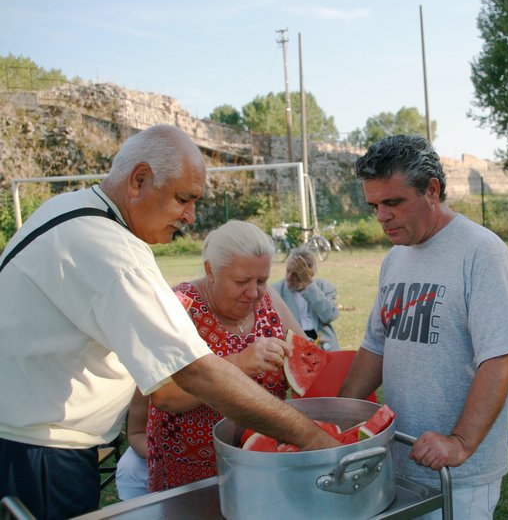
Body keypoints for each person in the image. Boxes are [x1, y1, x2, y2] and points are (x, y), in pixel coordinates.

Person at [0, 124, 339, 519]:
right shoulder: (112, 250)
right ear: (139, 180)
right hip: (42, 452)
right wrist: (312, 438)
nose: (190, 217)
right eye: (183, 199)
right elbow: (194, 372)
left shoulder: (66, 211)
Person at [338, 134, 508, 520]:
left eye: (393, 202)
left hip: (458, 472)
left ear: (433, 190)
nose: (381, 216)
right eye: (374, 205)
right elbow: (376, 345)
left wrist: (460, 442)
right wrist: (337, 418)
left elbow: (501, 358)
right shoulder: (395, 258)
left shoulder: (481, 251)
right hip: (396, 455)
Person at [147, 219, 307, 490]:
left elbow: (306, 360)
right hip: (192, 470)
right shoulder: (179, 306)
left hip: (264, 460)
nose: (254, 292)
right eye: (241, 281)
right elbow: (164, 396)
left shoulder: (270, 301)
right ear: (211, 270)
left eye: (262, 280)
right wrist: (238, 364)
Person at [273, 246, 341, 350]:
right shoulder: (276, 290)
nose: (288, 277)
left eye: (295, 274)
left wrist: (309, 285)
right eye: (288, 271)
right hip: (292, 342)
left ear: (309, 273)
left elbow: (329, 316)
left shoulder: (324, 287)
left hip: (323, 342)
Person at [114, 391, 150, 500]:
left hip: (201, 455)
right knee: (129, 468)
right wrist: (161, 457)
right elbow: (137, 433)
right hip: (160, 451)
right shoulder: (149, 382)